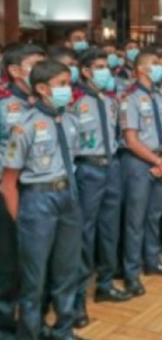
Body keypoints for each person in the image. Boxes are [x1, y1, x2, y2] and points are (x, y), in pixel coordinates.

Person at [1, 59, 83, 340]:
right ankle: (30, 334)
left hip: (68, 198)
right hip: (37, 202)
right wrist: (20, 220)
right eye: (62, 85)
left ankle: (63, 330)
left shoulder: (71, 118)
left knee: (66, 272)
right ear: (42, 88)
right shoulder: (25, 126)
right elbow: (8, 184)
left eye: (69, 83)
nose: (68, 89)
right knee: (33, 282)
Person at [70, 48, 130, 329]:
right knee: (85, 234)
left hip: (112, 165)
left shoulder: (109, 99)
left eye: (107, 66)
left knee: (110, 228)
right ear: (85, 71)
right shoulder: (73, 98)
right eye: (99, 66)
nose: (106, 70)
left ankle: (105, 284)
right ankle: (78, 298)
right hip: (87, 168)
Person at [120, 48, 162, 299]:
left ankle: (152, 260)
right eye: (155, 63)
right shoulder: (129, 97)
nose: (161, 67)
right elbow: (130, 140)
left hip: (159, 160)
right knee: (136, 220)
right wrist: (156, 160)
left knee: (155, 215)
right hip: (138, 162)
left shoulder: (160, 95)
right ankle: (132, 273)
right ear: (142, 68)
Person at [0, 43, 46, 339]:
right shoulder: (3, 103)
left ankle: (33, 324)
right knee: (9, 264)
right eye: (36, 65)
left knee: (36, 263)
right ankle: (6, 326)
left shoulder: (42, 101)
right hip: (8, 190)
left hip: (39, 189)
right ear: (15, 70)